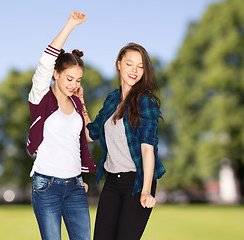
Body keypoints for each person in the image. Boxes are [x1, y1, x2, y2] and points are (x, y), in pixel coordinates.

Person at [76, 42, 166, 240]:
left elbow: (147, 149)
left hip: (137, 181)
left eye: (140, 66)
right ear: (119, 64)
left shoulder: (146, 102)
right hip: (112, 182)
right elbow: (91, 134)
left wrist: (146, 190)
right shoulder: (112, 99)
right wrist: (80, 101)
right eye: (129, 64)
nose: (135, 70)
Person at [26, 10, 97, 240]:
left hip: (76, 186)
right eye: (69, 78)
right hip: (46, 186)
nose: (73, 84)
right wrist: (70, 25)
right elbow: (46, 60)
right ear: (56, 74)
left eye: (78, 80)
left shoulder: (76, 103)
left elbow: (90, 136)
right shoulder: (41, 98)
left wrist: (83, 101)